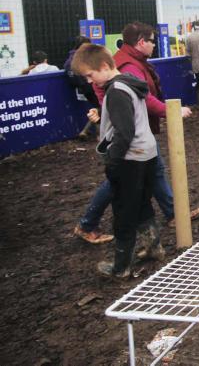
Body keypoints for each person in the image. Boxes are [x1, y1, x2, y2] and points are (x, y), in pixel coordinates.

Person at [73, 22, 199, 245]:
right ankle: (88, 224)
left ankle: (173, 214)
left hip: (133, 137)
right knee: (118, 181)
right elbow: (143, 103)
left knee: (154, 171)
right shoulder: (130, 67)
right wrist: (169, 111)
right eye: (152, 40)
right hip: (133, 140)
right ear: (141, 42)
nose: (154, 44)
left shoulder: (128, 62)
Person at [70, 44, 164, 279]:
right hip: (147, 153)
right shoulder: (129, 81)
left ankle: (121, 267)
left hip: (130, 158)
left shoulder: (116, 91)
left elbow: (124, 131)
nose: (91, 81)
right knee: (142, 203)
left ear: (103, 66)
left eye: (91, 75)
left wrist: (113, 161)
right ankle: (154, 247)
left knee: (123, 211)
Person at [64, 36, 100, 140]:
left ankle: (85, 131)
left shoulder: (70, 59)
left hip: (81, 88)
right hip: (89, 86)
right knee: (99, 108)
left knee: (98, 107)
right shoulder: (82, 58)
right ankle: (98, 135)